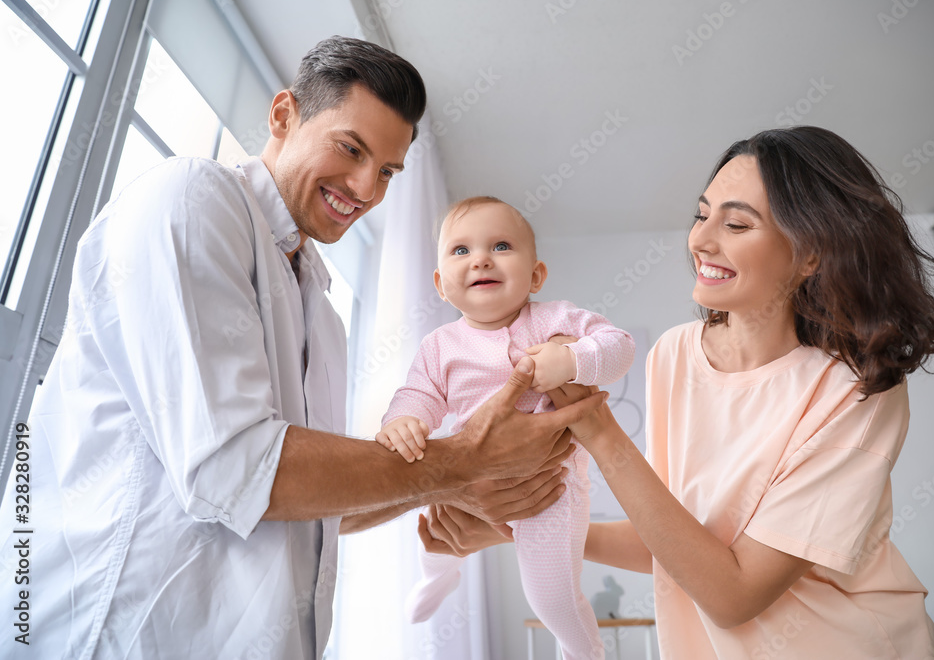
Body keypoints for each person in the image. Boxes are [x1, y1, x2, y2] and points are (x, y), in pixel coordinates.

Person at [0, 37, 603, 660]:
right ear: (284, 115)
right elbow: (236, 466)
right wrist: (460, 462)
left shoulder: (319, 304)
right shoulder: (191, 199)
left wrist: (439, 487)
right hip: (110, 636)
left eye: (388, 171)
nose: (367, 188)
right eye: (351, 148)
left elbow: (311, 504)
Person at [418, 126, 934, 659]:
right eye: (702, 215)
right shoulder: (676, 354)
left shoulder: (856, 390)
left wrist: (598, 430)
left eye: (737, 223)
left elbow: (734, 594)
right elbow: (680, 543)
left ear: (810, 254)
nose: (700, 240)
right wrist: (523, 533)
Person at [375, 196, 635, 659]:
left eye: (500, 245)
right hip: (471, 481)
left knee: (550, 597)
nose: (480, 259)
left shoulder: (555, 320)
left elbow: (619, 348)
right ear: (440, 285)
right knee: (436, 532)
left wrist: (572, 360)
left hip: (548, 490)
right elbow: (418, 394)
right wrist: (402, 422)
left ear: (535, 276)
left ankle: (584, 652)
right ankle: (437, 577)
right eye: (460, 251)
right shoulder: (440, 345)